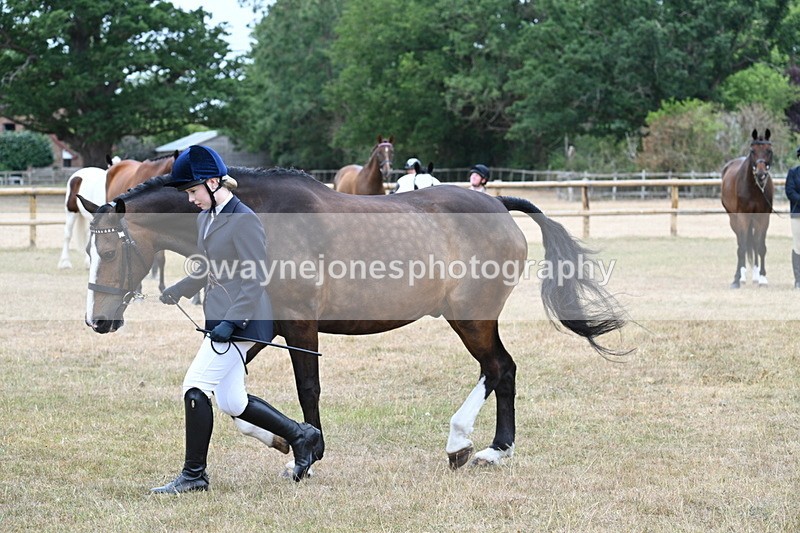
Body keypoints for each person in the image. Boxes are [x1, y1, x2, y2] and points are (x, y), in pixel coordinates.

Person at [151, 145, 321, 493]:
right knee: (232, 401)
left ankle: (194, 475)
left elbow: (255, 278)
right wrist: (182, 287)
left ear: (213, 183)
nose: (191, 200)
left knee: (195, 386)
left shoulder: (244, 220)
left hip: (243, 321)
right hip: (219, 318)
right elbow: (212, 266)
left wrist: (233, 322)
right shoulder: (206, 218)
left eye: (193, 191)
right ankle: (301, 435)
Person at [786, 146, 800, 288]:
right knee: (798, 245)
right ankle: (798, 279)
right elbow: (790, 191)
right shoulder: (793, 173)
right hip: (797, 214)